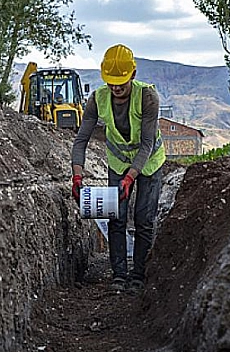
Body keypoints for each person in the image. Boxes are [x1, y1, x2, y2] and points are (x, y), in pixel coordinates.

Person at [70, 44, 165, 293]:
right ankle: (119, 275)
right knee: (116, 218)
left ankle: (138, 275)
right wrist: (77, 176)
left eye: (120, 83)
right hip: (118, 163)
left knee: (144, 220)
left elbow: (146, 144)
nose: (116, 88)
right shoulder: (97, 98)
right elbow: (81, 140)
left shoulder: (147, 97)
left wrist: (130, 179)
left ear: (132, 75)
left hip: (149, 164)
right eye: (111, 83)